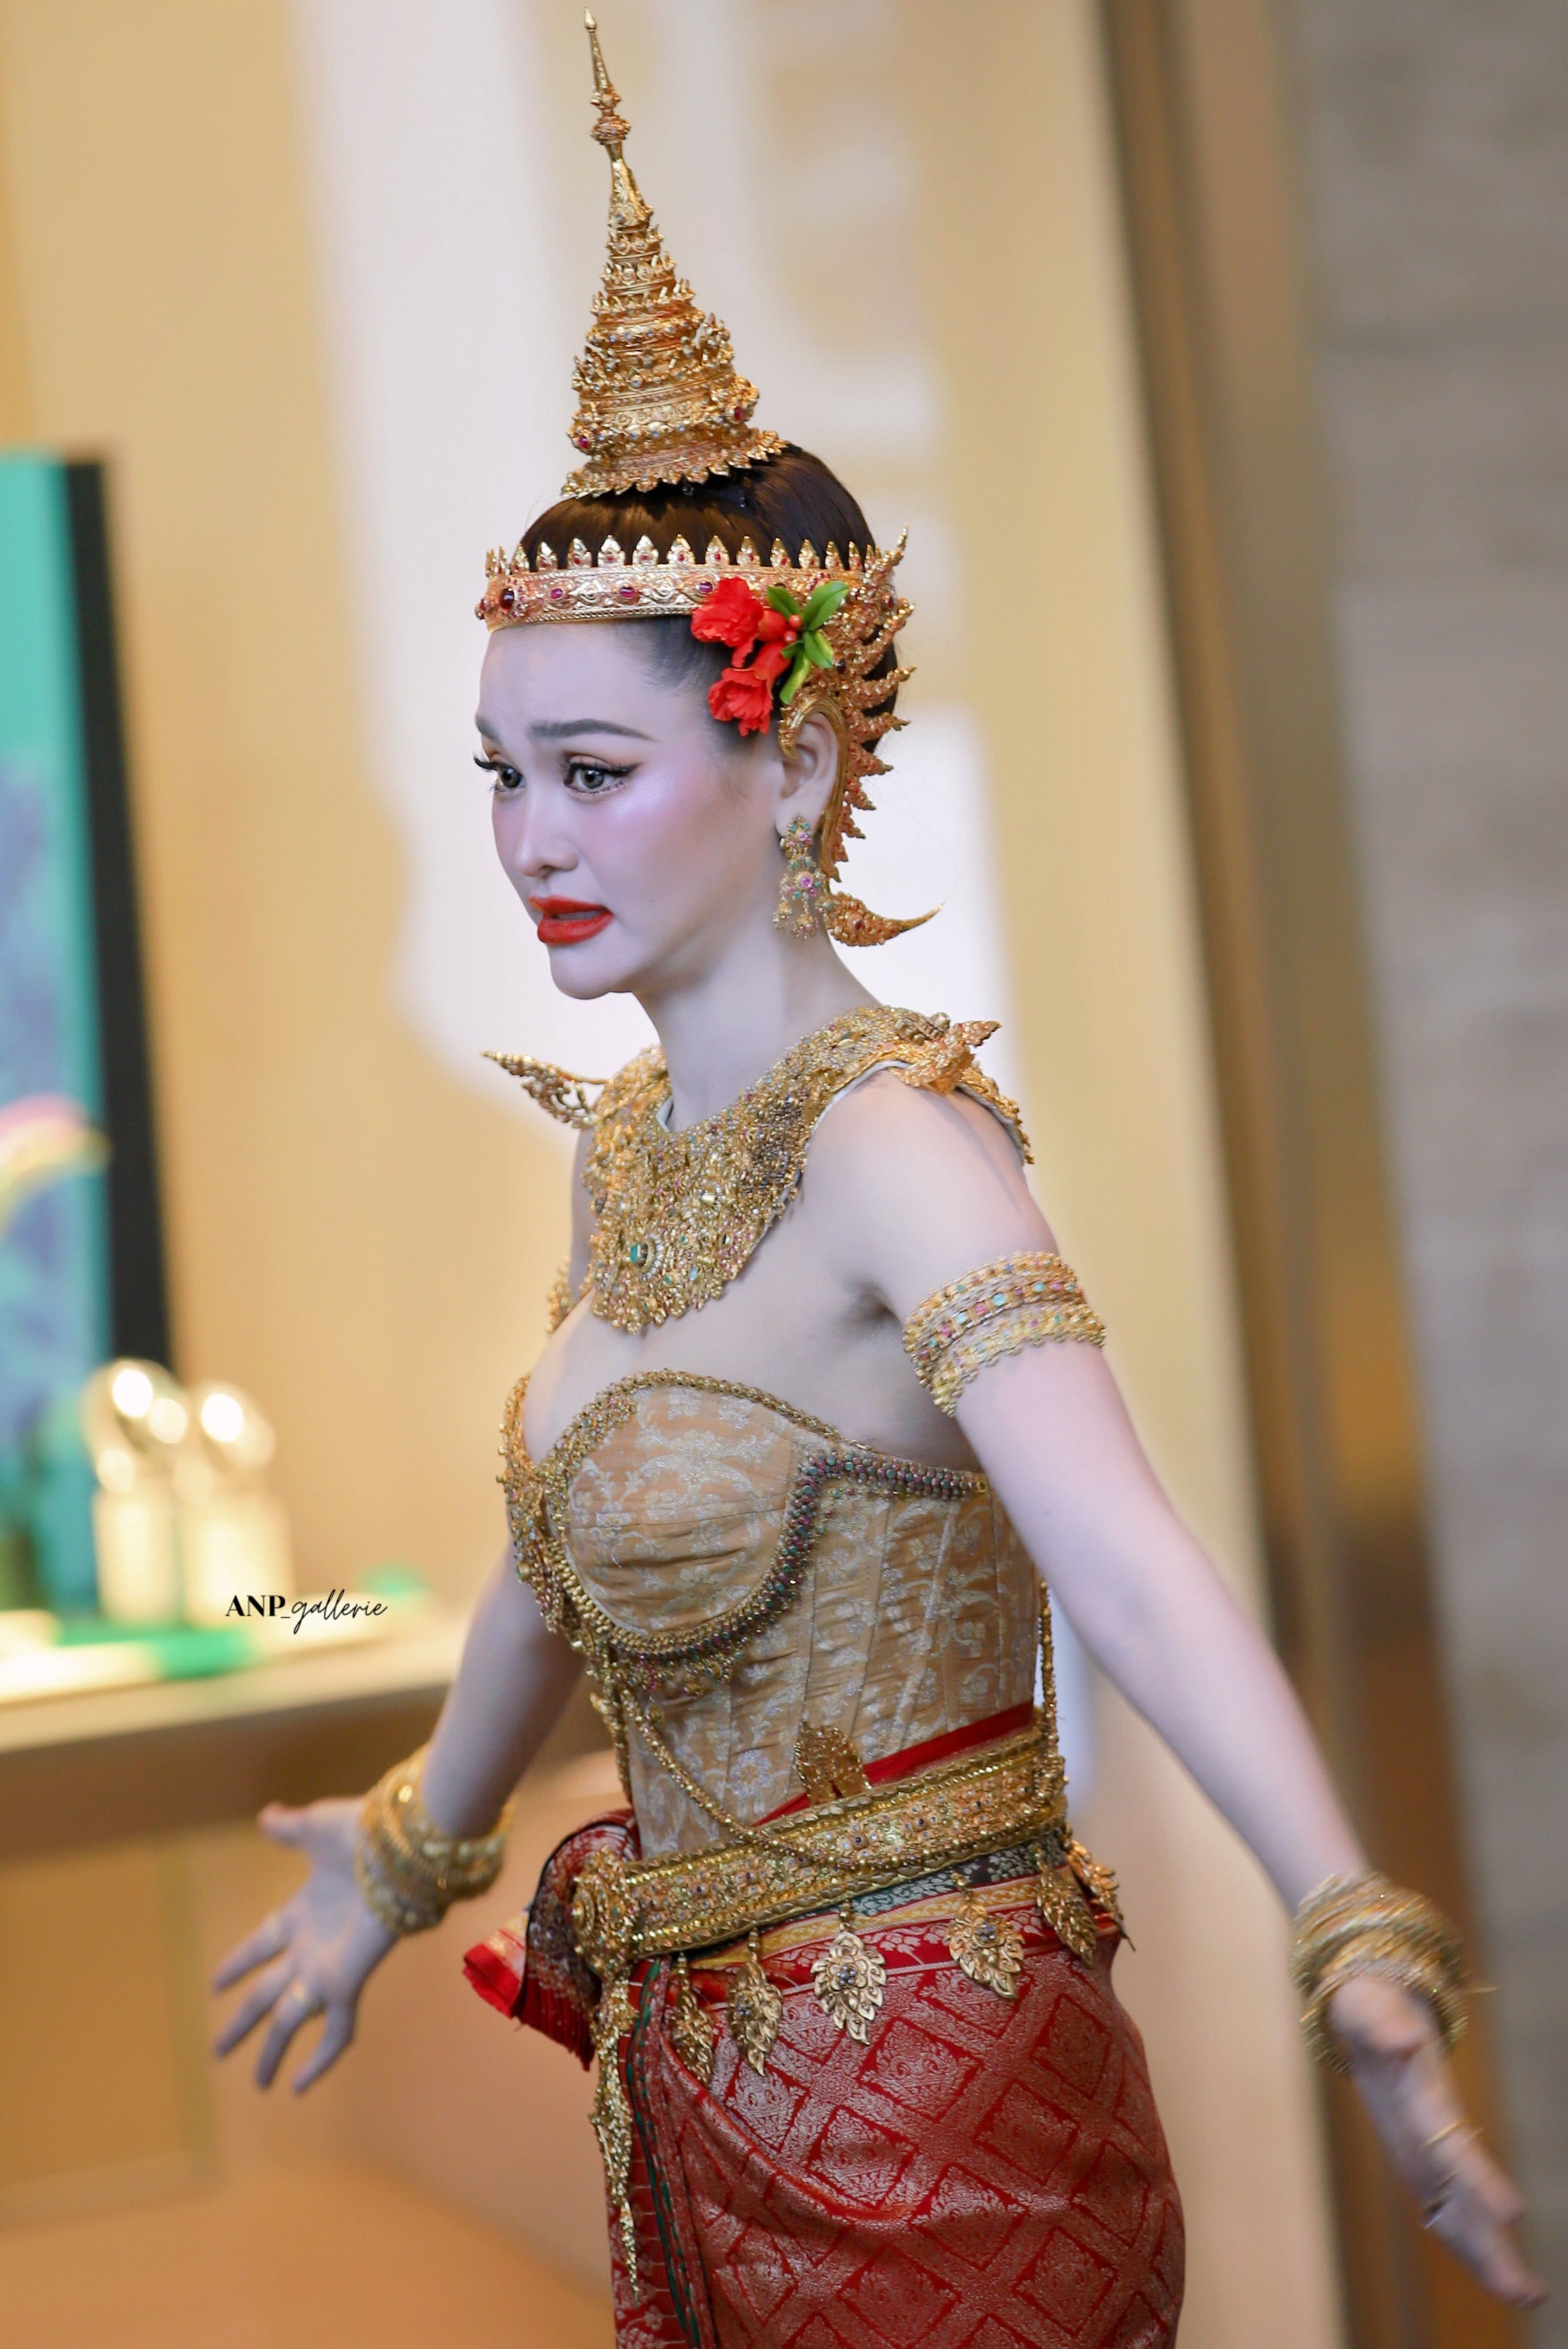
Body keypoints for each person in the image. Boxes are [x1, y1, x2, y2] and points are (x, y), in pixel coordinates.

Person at [214, 18, 1542, 2344]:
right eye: (504, 774)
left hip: (952, 2126)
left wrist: (1350, 1922)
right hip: (705, 2109)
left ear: (799, 759)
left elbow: (1131, 1568)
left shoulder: (894, 1151)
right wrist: (406, 1855)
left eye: (593, 768)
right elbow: (554, 1574)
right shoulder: (628, 1156)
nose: (530, 841)